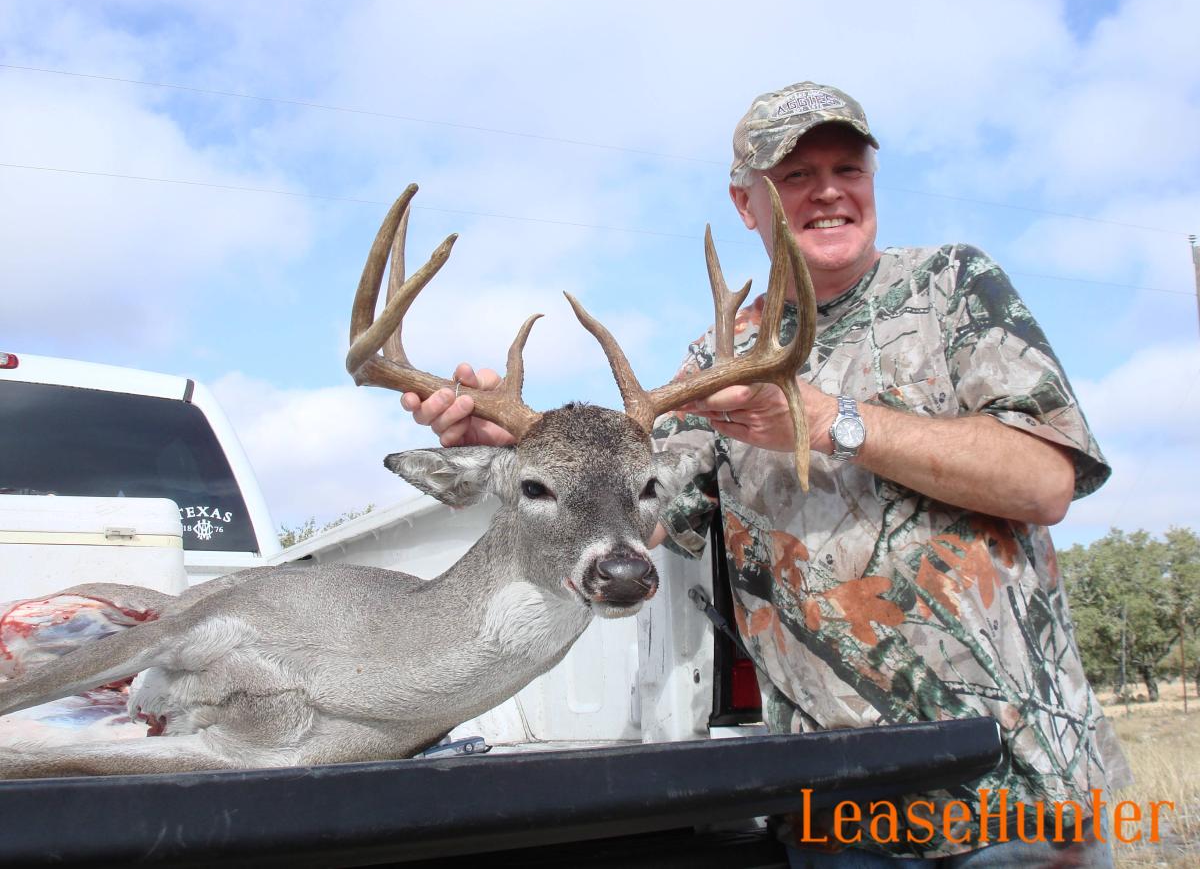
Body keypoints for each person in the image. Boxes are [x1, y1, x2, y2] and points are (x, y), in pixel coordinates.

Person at [400, 82, 1130, 866]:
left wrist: (831, 421)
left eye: (847, 169)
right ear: (745, 204)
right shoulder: (717, 367)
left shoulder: (950, 287)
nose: (827, 192)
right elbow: (640, 515)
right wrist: (524, 456)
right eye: (794, 176)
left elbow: (1045, 480)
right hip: (836, 815)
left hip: (1015, 794)